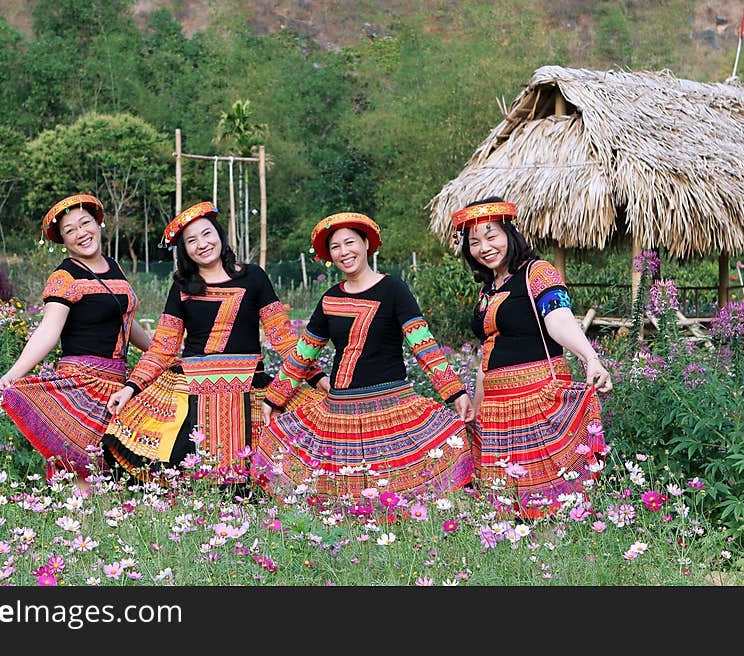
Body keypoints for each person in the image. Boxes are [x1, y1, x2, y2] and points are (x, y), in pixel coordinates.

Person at [253, 212, 475, 502]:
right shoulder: (330, 299)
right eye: (335, 247)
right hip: (340, 411)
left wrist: (455, 391)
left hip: (391, 406)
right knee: (347, 496)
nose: (344, 252)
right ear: (329, 256)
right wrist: (274, 398)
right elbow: (303, 354)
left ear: (366, 244)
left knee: (395, 495)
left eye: (350, 242)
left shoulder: (394, 289)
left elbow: (423, 345)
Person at [102, 201, 328, 485]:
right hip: (192, 389)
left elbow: (282, 337)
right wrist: (130, 387)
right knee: (185, 475)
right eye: (191, 241)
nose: (202, 244)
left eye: (207, 234)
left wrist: (318, 377)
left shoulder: (253, 276)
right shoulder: (182, 286)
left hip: (250, 385)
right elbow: (163, 347)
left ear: (220, 235)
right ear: (184, 250)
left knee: (259, 480)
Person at [452, 196, 611, 518]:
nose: (484, 247)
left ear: (512, 234)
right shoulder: (489, 289)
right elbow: (488, 353)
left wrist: (590, 358)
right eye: (474, 242)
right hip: (496, 406)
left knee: (548, 498)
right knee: (504, 504)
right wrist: (478, 412)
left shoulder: (538, 272)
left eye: (491, 236)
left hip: (535, 397)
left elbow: (559, 319)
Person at [0, 194, 153, 492]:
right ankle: (79, 530)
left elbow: (126, 321)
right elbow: (48, 331)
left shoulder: (115, 267)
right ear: (63, 240)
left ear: (99, 223)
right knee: (85, 470)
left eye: (86, 223)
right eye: (70, 230)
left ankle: (103, 531)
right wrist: (15, 373)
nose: (81, 233)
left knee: (110, 472)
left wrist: (160, 353)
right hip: (83, 384)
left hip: (118, 384)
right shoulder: (64, 276)